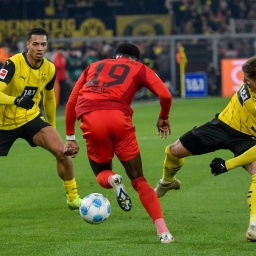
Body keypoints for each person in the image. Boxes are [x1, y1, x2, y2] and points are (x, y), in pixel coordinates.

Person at [64, 43, 174, 243]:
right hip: (119, 118)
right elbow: (166, 95)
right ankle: (163, 232)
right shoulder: (140, 68)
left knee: (102, 173)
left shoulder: (94, 66)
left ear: (115, 56)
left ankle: (113, 179)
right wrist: (163, 117)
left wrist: (70, 137)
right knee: (139, 180)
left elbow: (71, 101)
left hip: (90, 117)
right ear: (135, 59)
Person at [154, 56, 256, 242]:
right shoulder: (250, 81)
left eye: (247, 80)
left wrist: (227, 165)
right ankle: (167, 182)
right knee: (174, 150)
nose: (243, 82)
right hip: (222, 125)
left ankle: (254, 226)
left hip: (248, 139)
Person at [0, 27, 81, 210]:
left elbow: (50, 98)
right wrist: (16, 100)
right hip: (2, 123)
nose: (39, 48)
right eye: (35, 44)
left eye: (43, 44)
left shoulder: (49, 68)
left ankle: (73, 198)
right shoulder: (12, 64)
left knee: (62, 152)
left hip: (30, 119)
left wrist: (51, 127)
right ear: (27, 45)